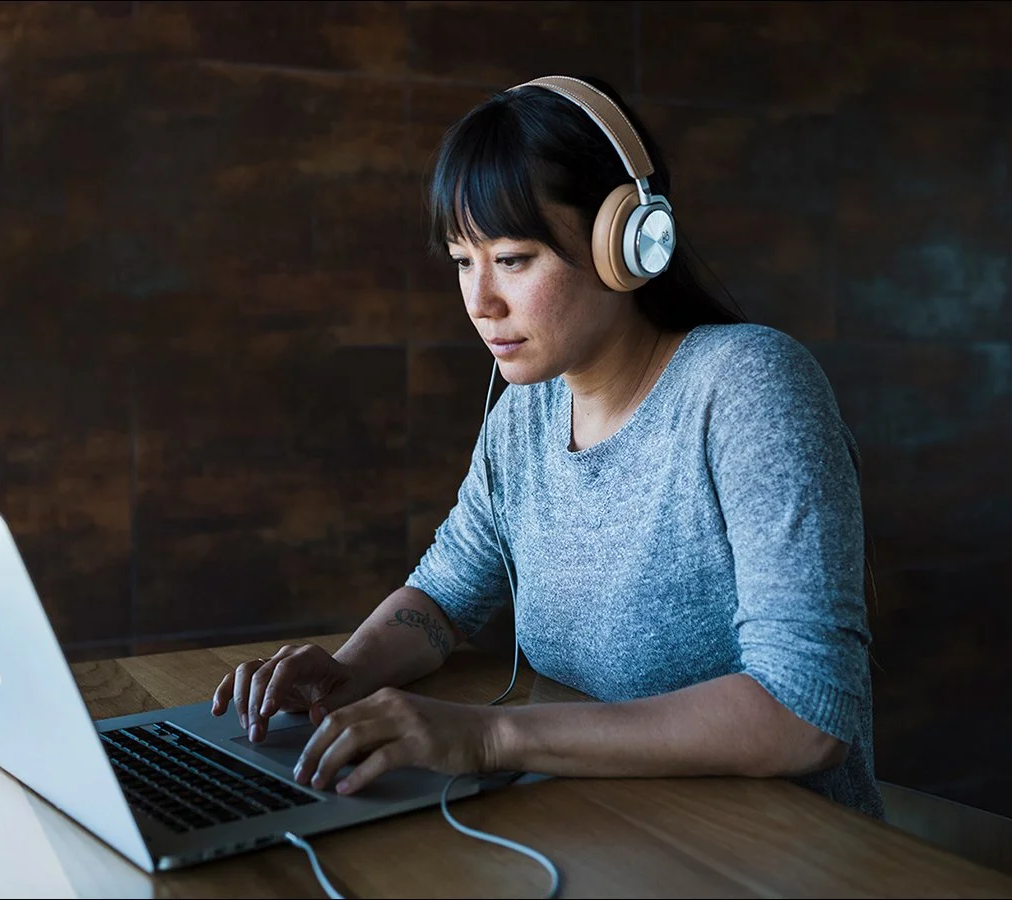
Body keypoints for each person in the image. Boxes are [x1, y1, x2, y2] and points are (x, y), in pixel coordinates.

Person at [210, 74, 884, 820]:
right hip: (602, 833)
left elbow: (806, 714)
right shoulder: (523, 416)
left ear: (627, 243)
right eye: (465, 261)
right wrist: (348, 670)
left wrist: (494, 736)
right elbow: (443, 596)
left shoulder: (747, 387)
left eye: (514, 258)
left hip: (779, 856)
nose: (480, 302)